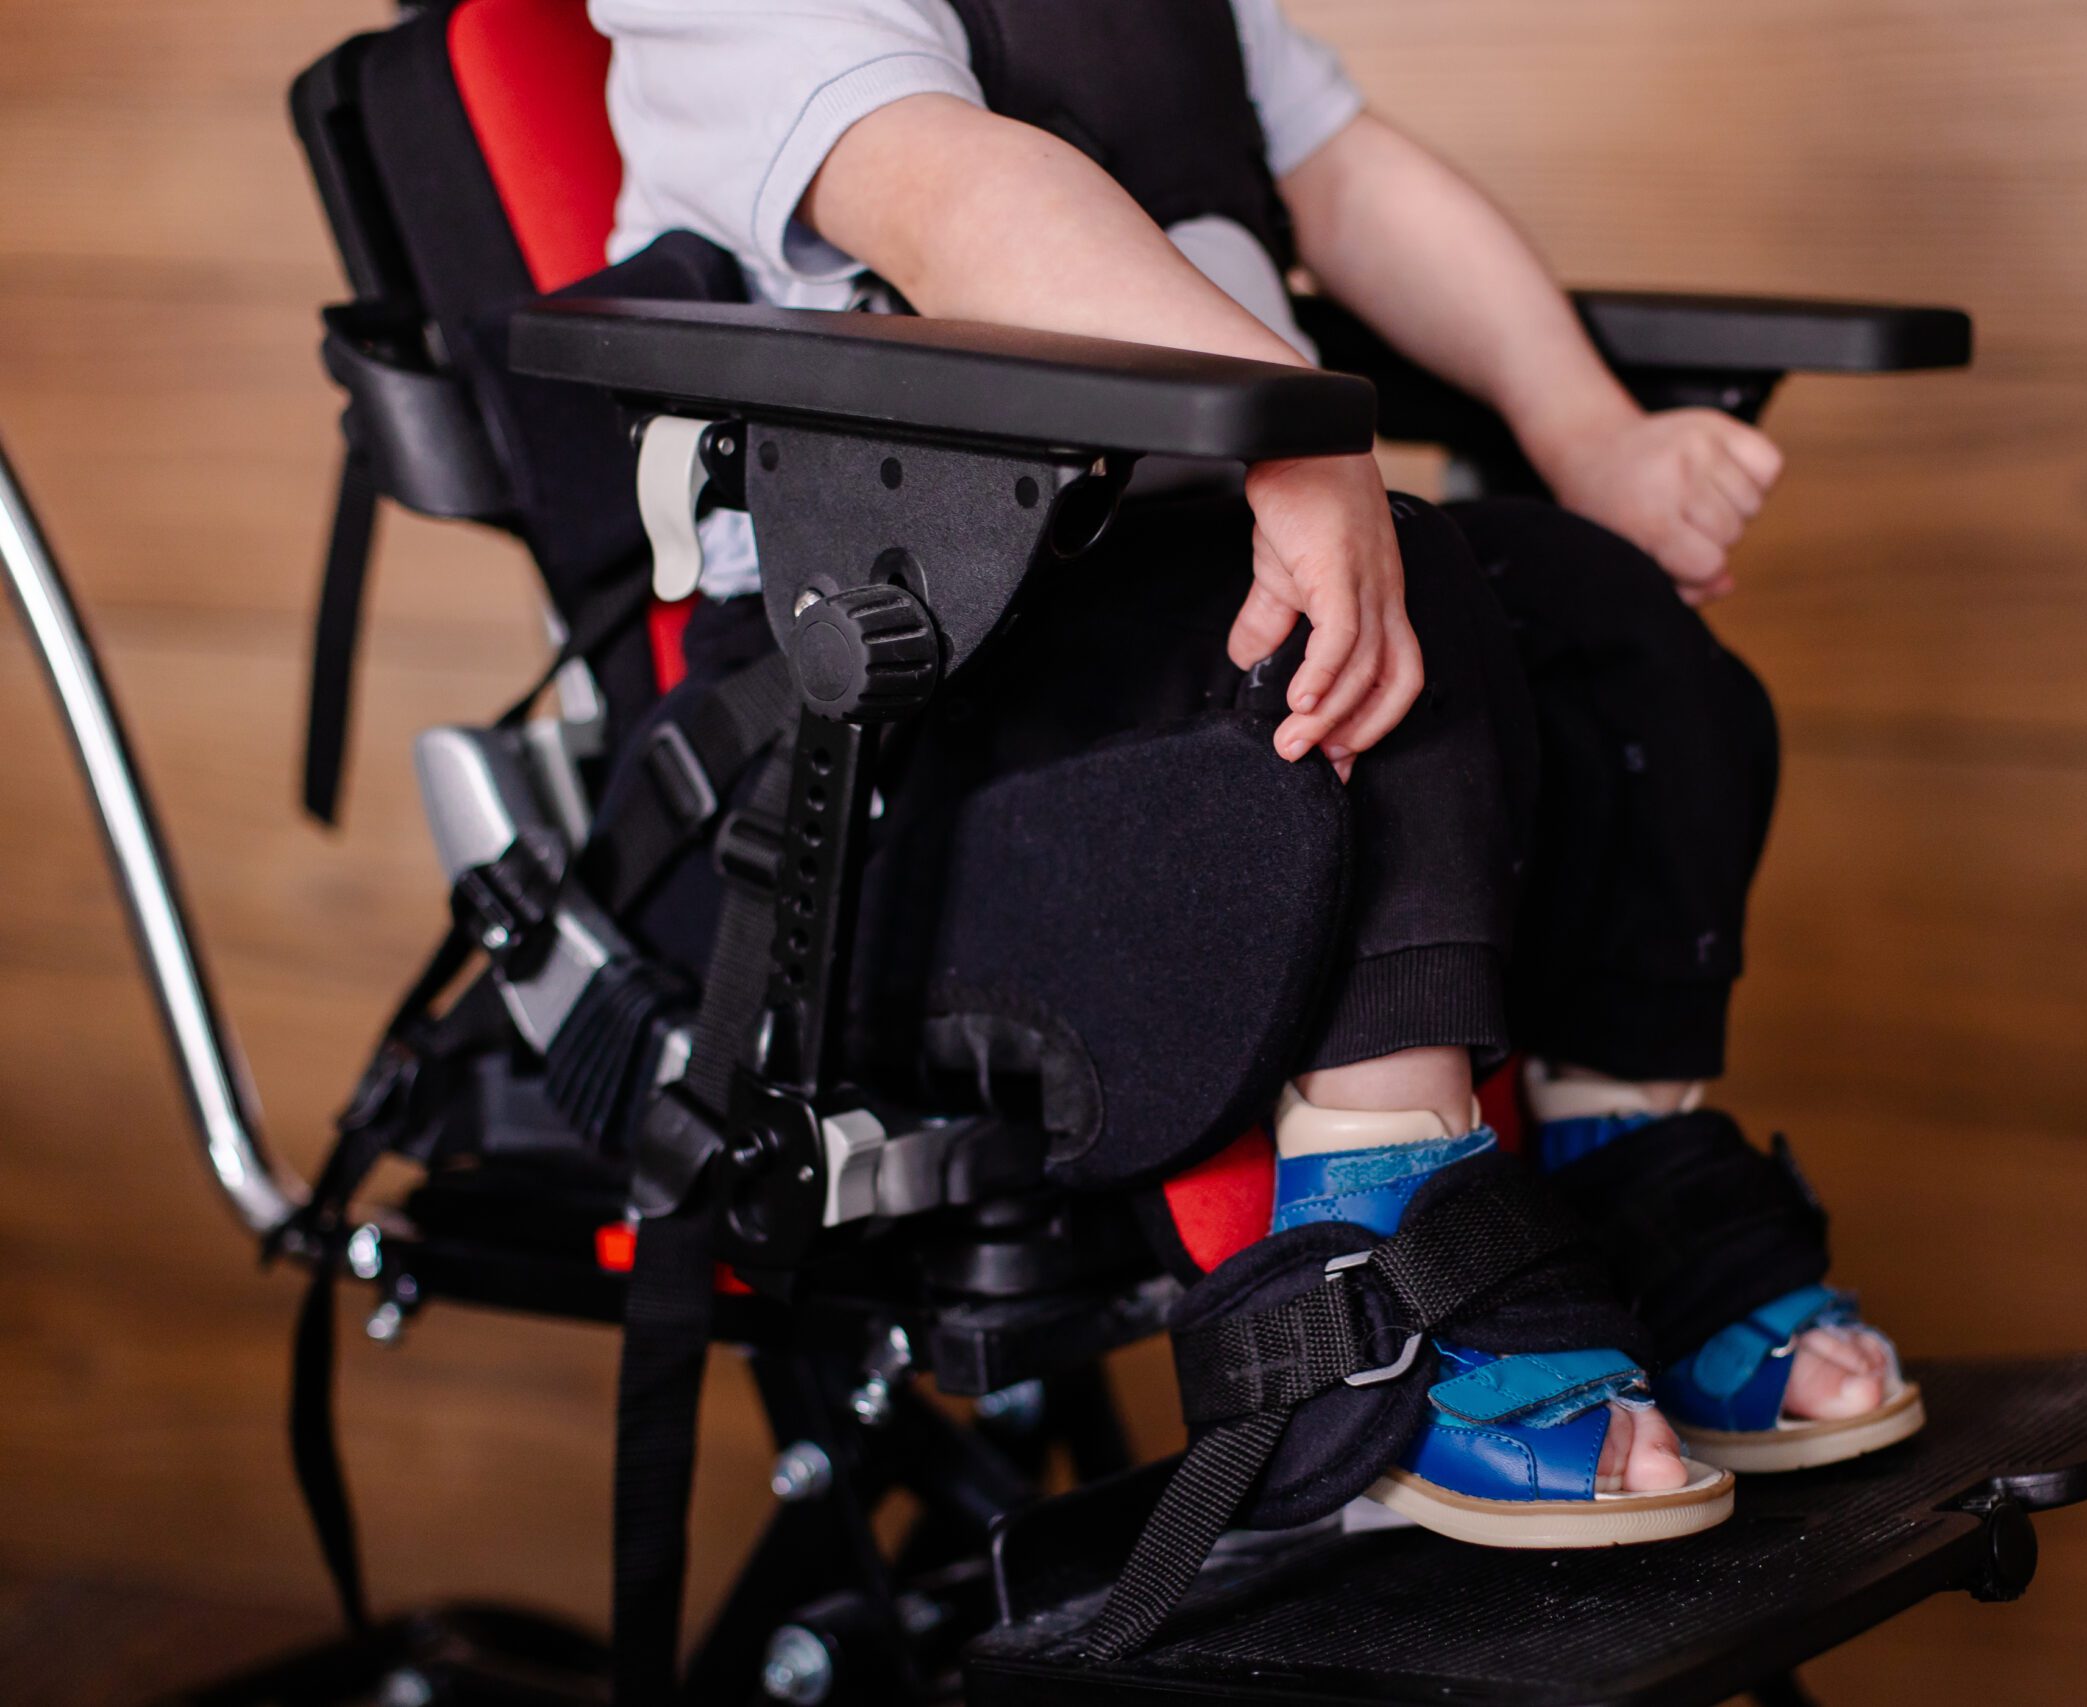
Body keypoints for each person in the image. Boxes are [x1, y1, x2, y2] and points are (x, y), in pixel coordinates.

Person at [594, 0, 1918, 1543]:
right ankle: (1382, 1259)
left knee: (1603, 621)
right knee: (1362, 649)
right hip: (904, 701)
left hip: (1181, 579)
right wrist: (1289, 430)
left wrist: (1587, 429)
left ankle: (1615, 1150)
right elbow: (948, 193)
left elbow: (1352, 186)